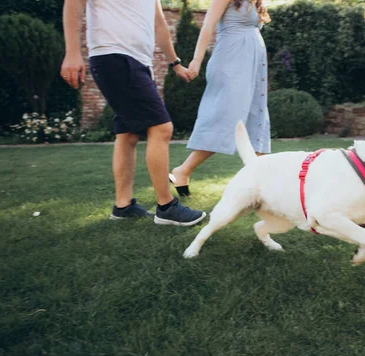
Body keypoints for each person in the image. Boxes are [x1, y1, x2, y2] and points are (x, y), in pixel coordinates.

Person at [60, 0, 206, 226]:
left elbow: (159, 25)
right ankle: (166, 207)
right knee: (161, 127)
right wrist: (72, 52)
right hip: (114, 54)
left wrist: (175, 63)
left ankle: (123, 206)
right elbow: (74, 3)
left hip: (138, 61)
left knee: (127, 133)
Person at [169, 0, 271, 197]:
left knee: (256, 119)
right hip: (230, 64)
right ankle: (183, 170)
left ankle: (260, 183)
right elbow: (208, 25)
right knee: (226, 119)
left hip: (252, 66)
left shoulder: (256, 1)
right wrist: (197, 61)